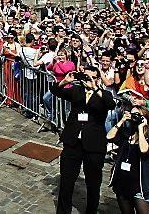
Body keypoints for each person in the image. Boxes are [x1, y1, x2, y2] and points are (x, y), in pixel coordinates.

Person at [51, 67, 116, 214]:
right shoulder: (76, 91)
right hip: (73, 141)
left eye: (92, 77)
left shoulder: (103, 94)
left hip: (93, 145)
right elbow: (55, 91)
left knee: (93, 183)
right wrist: (64, 82)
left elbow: (110, 104)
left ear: (98, 79)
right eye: (86, 77)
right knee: (66, 180)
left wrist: (95, 87)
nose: (88, 80)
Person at [107, 106, 149, 214]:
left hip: (140, 186)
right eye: (132, 114)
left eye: (137, 115)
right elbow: (109, 137)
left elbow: (144, 149)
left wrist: (141, 129)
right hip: (122, 184)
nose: (134, 118)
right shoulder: (126, 133)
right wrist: (122, 120)